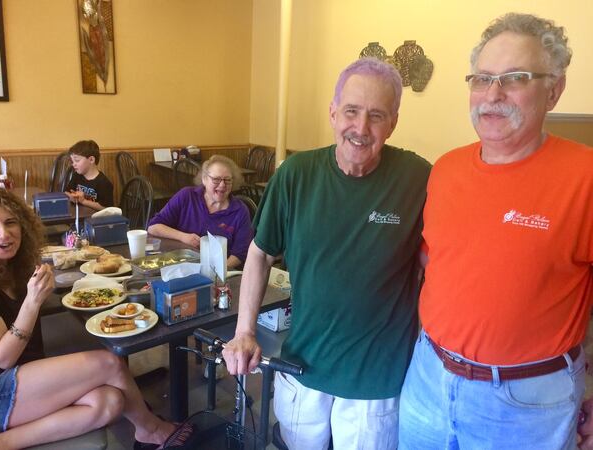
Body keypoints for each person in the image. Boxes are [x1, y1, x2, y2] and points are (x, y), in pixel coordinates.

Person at [398, 13, 593, 449]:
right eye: (482, 79)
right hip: (428, 377)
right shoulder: (445, 169)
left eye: (514, 78)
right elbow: (436, 260)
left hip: (526, 405)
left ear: (554, 90)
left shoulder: (585, 176)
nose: (492, 95)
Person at [222, 57, 431, 450]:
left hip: (377, 378)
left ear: (393, 123)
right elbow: (260, 255)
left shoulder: (418, 178)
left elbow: (439, 265)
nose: (361, 128)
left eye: (377, 115)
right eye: (351, 111)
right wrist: (244, 332)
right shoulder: (296, 174)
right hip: (304, 364)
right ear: (333, 112)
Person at [0, 188, 176, 449]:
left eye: (11, 222)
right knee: (109, 364)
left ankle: (3, 442)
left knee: (111, 402)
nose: (4, 233)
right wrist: (33, 301)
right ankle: (150, 429)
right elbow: (2, 357)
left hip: (19, 384)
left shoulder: (14, 267)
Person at [147, 155, 253, 269]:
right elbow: (153, 227)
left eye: (227, 180)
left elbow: (240, 253)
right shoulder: (187, 196)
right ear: (204, 179)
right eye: (216, 179)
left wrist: (218, 271)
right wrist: (183, 237)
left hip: (220, 273)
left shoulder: (240, 211)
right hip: (180, 265)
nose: (222, 185)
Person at [65, 140, 114, 211]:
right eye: (73, 161)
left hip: (95, 220)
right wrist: (72, 197)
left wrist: (83, 201)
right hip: (78, 215)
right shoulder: (77, 175)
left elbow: (106, 208)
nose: (73, 164)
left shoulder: (104, 183)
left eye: (77, 160)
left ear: (91, 160)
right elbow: (66, 192)